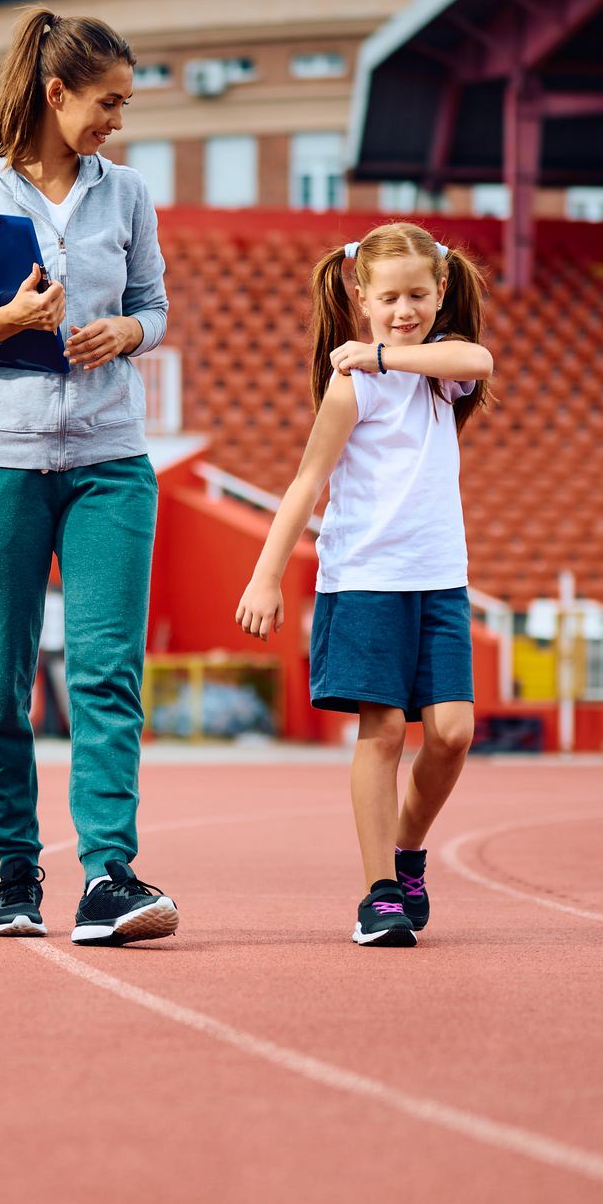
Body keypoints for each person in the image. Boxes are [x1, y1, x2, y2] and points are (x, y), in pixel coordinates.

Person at [0, 6, 175, 945]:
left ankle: (109, 874)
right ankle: (15, 867)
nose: (116, 122)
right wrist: (3, 322)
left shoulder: (126, 194)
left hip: (109, 462)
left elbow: (154, 307)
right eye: (107, 103)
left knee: (105, 672)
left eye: (124, 106)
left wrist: (128, 332)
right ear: (54, 94)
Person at [234, 221, 495, 946]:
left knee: (451, 732)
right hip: (365, 582)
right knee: (381, 732)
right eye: (388, 298)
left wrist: (388, 352)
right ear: (360, 294)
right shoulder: (350, 389)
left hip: (438, 579)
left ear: (441, 292)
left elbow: (482, 354)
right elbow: (304, 484)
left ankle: (408, 851)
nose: (404, 308)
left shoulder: (442, 373)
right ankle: (378, 891)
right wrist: (266, 577)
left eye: (418, 294)